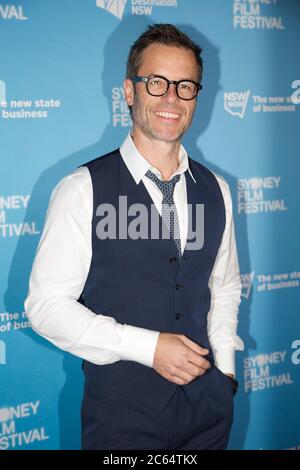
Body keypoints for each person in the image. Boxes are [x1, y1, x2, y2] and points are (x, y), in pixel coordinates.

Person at [25, 24, 244, 450]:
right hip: (122, 423)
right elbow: (45, 307)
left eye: (185, 86)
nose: (171, 98)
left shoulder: (216, 189)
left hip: (209, 414)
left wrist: (226, 374)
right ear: (130, 91)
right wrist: (147, 347)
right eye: (157, 82)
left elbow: (225, 286)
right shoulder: (83, 188)